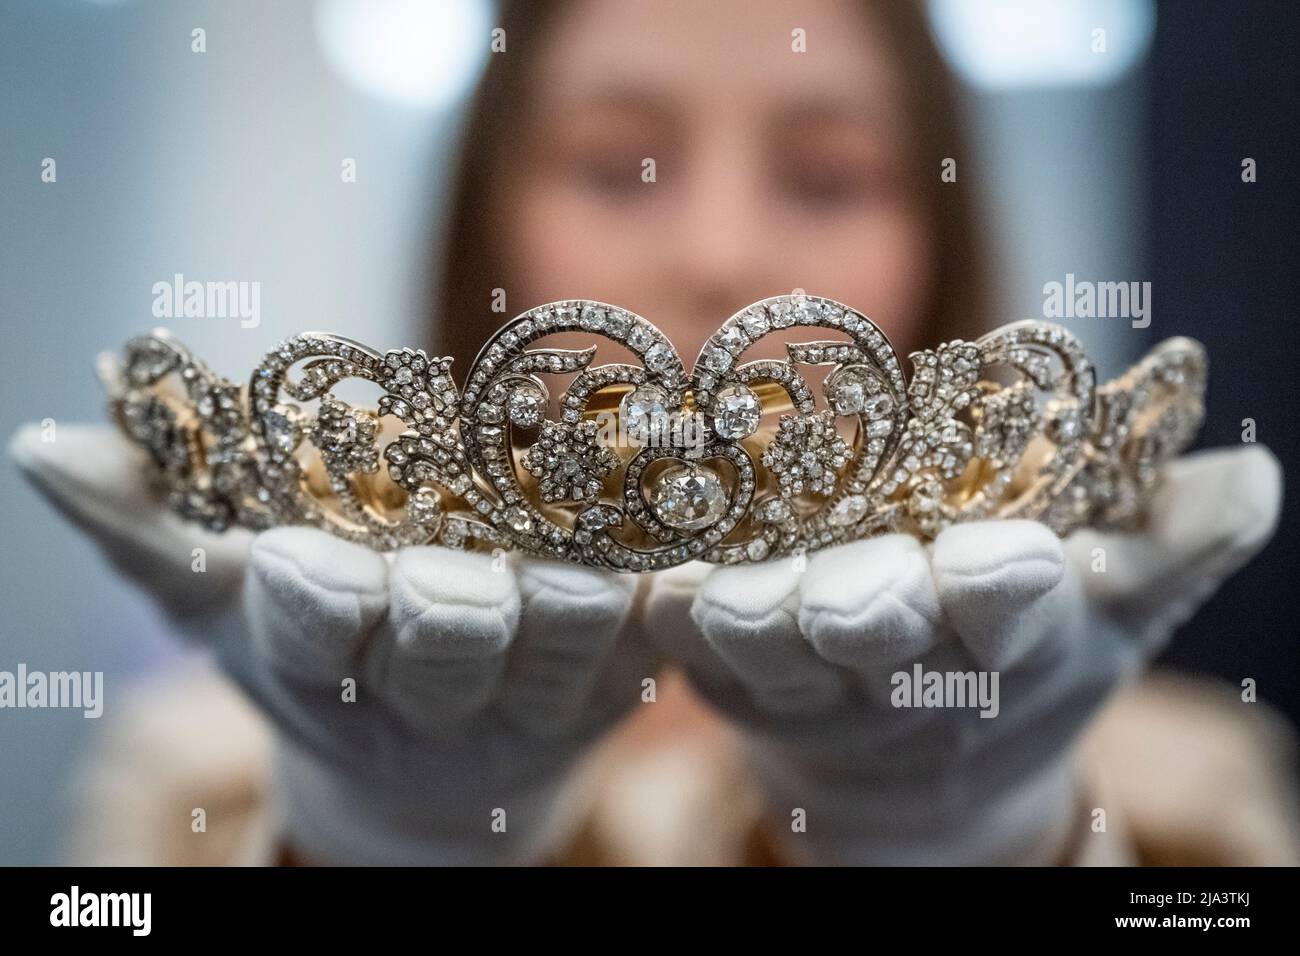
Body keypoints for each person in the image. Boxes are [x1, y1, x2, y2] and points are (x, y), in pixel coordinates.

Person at [11, 0, 1296, 865]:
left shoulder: (1190, 791)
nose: (717, 252)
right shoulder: (197, 774)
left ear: (938, 246)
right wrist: (357, 837)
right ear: (488, 237)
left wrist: (998, 838)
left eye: (827, 175)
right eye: (619, 161)